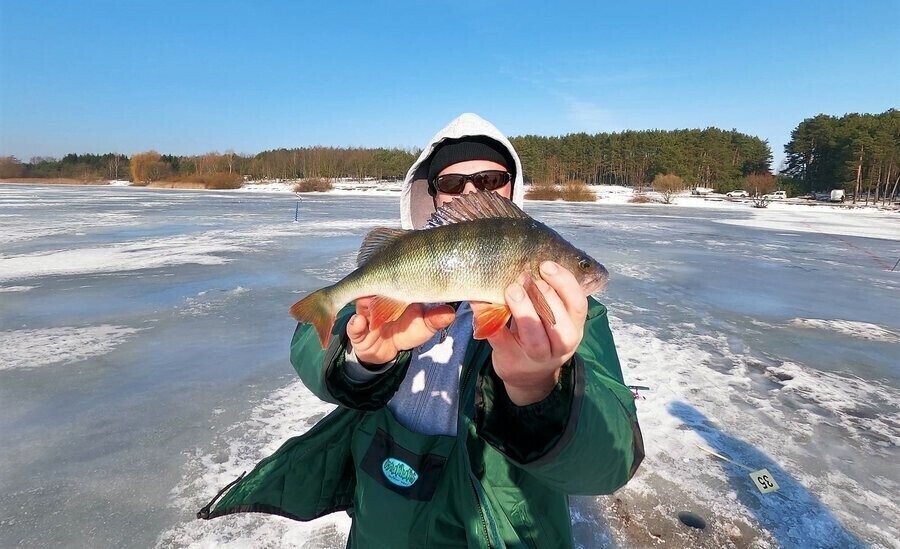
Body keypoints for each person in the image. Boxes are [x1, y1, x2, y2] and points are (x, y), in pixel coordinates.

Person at [198, 113, 644, 548]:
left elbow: (608, 460)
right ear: (429, 196)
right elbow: (314, 349)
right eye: (451, 184)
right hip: (383, 520)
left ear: (512, 185)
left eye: (489, 181)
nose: (470, 191)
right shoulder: (399, 274)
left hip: (497, 526)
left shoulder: (571, 319)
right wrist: (364, 361)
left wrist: (540, 390)